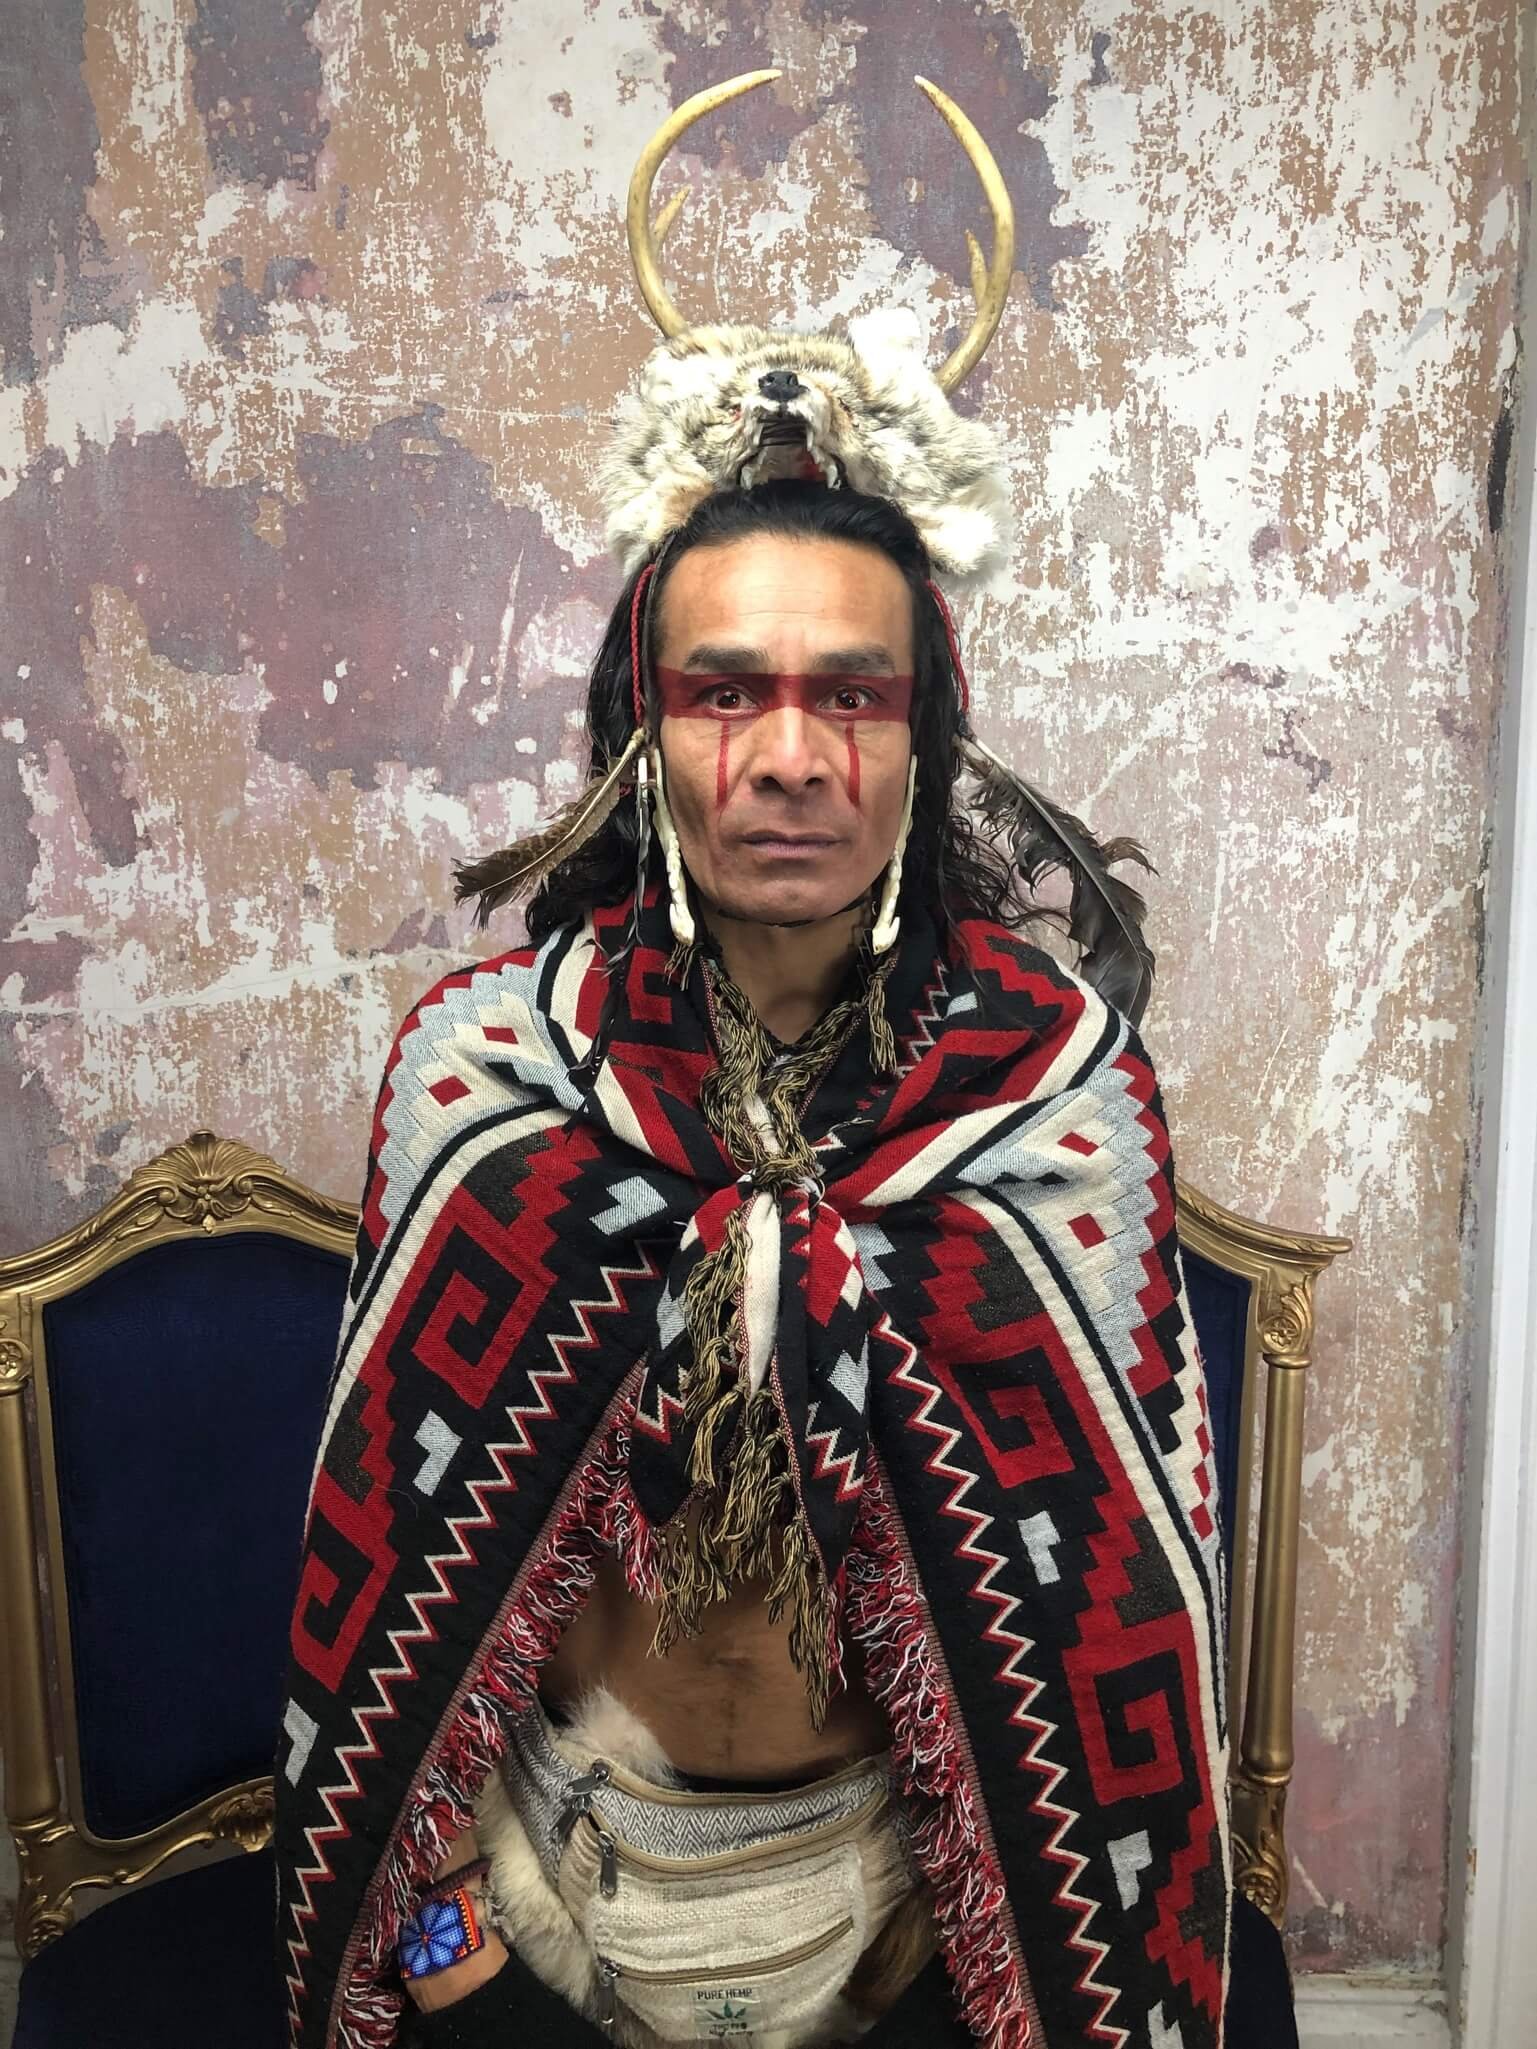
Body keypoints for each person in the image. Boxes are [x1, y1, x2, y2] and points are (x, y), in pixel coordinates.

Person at [273, 72, 1290, 2049]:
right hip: (554, 1888)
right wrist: (450, 1956)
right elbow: (392, 1606)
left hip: (913, 1923)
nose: (793, 756)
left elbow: (1109, 1626)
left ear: (924, 739)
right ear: (642, 733)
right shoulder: (486, 1069)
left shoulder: (1057, 1092)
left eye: (853, 694)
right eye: (724, 690)